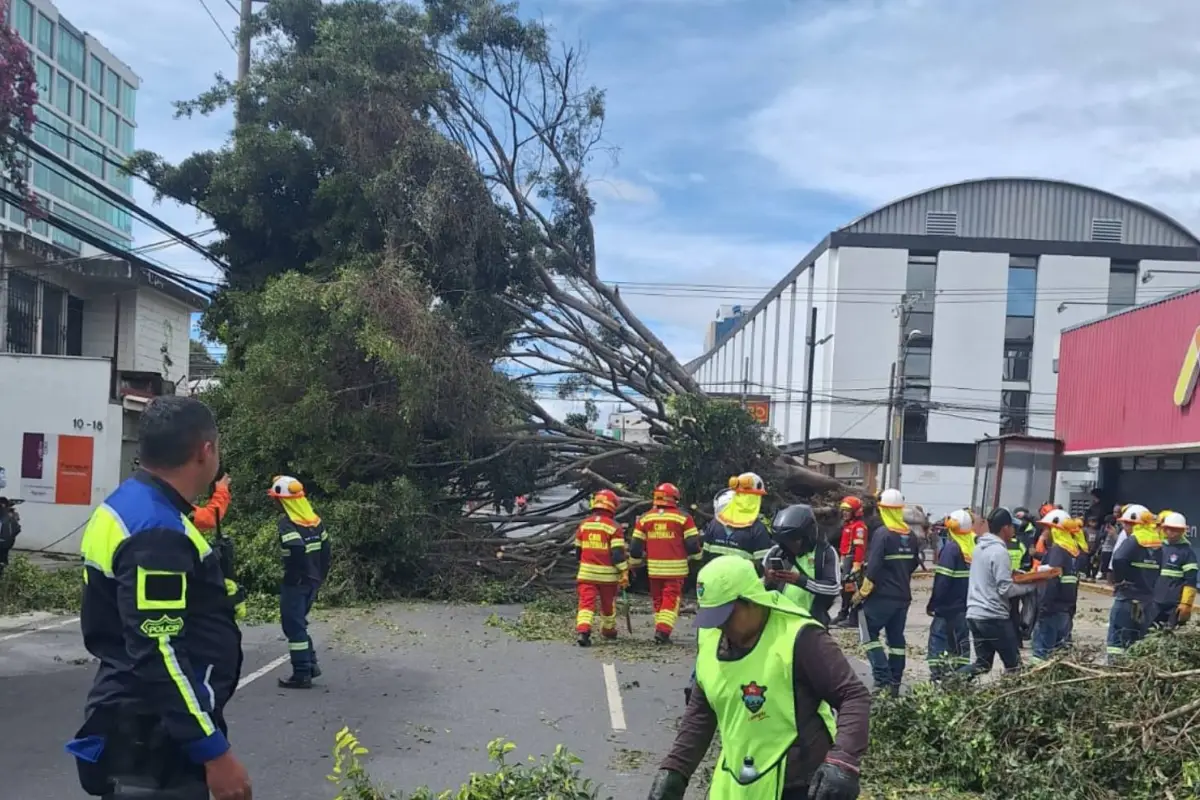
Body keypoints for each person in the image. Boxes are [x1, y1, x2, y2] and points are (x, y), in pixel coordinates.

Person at [68, 396, 252, 800]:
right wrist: (212, 751)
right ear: (206, 451)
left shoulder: (131, 504)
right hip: (155, 737)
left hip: (139, 718)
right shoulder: (156, 531)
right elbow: (158, 649)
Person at [648, 556, 870, 800]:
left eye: (725, 616)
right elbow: (701, 712)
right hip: (737, 783)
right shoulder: (711, 638)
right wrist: (675, 770)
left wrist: (842, 761)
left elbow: (853, 695)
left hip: (797, 782)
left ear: (752, 601)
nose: (720, 627)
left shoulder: (800, 637)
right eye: (713, 618)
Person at [966, 507, 1053, 676]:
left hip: (974, 614)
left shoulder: (979, 548)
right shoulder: (999, 552)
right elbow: (1005, 589)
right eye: (1012, 527)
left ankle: (951, 683)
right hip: (993, 616)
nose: (1014, 530)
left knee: (982, 664)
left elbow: (990, 578)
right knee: (1014, 666)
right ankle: (1010, 697)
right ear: (1005, 528)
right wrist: (1033, 584)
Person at [854, 488, 917, 696]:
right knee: (896, 640)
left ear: (883, 510)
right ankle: (895, 683)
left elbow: (873, 569)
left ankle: (882, 678)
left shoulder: (883, 534)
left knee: (867, 632)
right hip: (902, 597)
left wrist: (861, 594)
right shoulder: (911, 535)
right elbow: (913, 564)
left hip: (882, 597)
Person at [270, 475, 329, 689]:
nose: (274, 503)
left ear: (283, 501)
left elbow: (295, 549)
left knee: (293, 626)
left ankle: (302, 672)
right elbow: (326, 552)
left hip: (297, 583)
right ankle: (310, 664)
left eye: (276, 499)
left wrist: (294, 576)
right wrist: (319, 576)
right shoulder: (315, 521)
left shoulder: (288, 524)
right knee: (299, 622)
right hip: (313, 581)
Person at [628, 482, 702, 644]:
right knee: (671, 599)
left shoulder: (645, 518)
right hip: (675, 570)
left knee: (658, 600)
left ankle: (660, 627)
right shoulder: (683, 518)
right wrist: (697, 557)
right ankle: (663, 631)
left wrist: (633, 563)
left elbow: (635, 547)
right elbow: (692, 545)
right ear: (674, 499)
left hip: (654, 569)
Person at [763, 504, 841, 626]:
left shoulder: (825, 553)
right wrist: (768, 579)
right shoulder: (775, 552)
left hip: (811, 623)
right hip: (777, 622)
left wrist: (800, 580)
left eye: (794, 541)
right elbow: (757, 587)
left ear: (807, 536)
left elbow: (833, 588)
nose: (790, 545)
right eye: (786, 542)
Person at [1106, 504, 1161, 663]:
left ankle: (1115, 671)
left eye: (1126, 523)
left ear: (1134, 524)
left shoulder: (1134, 540)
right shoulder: (1156, 542)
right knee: (1138, 639)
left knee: (1117, 639)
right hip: (1148, 599)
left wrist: (1120, 579)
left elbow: (1118, 558)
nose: (1124, 527)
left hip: (1128, 597)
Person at [573, 489, 628, 647]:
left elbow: (578, 551)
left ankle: (583, 631)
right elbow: (617, 554)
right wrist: (624, 570)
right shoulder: (613, 527)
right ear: (612, 507)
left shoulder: (584, 525)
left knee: (586, 603)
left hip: (586, 573)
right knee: (607, 604)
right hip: (607, 576)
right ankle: (608, 629)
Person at [926, 509, 974, 680]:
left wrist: (933, 604)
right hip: (965, 607)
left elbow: (943, 580)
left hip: (947, 607)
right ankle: (960, 677)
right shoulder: (971, 547)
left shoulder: (951, 549)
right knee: (960, 644)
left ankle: (938, 677)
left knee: (938, 642)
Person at [1028, 509, 1079, 664]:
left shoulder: (1057, 550)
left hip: (1051, 612)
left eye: (1047, 529)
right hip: (1065, 611)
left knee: (1041, 654)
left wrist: (1043, 608)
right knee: (1059, 656)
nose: (1044, 533)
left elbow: (1052, 581)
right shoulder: (1072, 551)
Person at [700, 473, 774, 568]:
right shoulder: (757, 529)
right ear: (756, 499)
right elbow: (764, 567)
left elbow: (705, 559)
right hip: (742, 582)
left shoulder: (715, 523)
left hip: (714, 581)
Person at [1150, 512, 1197, 629]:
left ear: (1182, 531)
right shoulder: (1159, 548)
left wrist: (1186, 603)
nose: (1171, 532)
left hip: (1174, 605)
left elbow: (1191, 580)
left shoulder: (1187, 552)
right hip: (1154, 601)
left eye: (1175, 530)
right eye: (1168, 529)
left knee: (1169, 635)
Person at [833, 497, 867, 628]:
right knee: (845, 590)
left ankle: (853, 618)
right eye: (843, 510)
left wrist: (856, 565)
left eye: (847, 511)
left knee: (852, 590)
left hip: (853, 561)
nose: (844, 513)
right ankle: (843, 613)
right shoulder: (849, 526)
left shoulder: (859, 527)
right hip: (846, 560)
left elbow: (859, 547)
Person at [0, 496, 21, 580]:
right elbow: (17, 529)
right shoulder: (10, 515)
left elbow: (16, 529)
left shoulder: (6, 515)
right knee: (3, 560)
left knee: (3, 559)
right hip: (6, 543)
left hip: (3, 542)